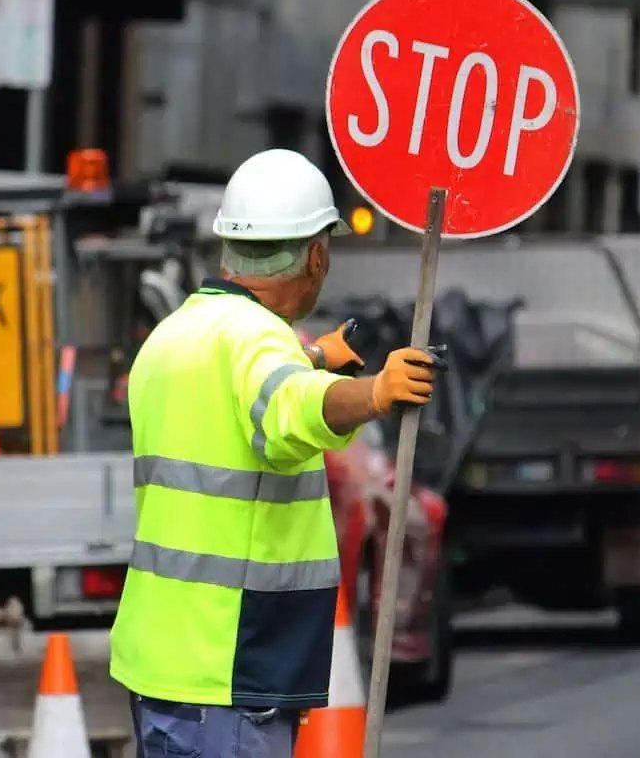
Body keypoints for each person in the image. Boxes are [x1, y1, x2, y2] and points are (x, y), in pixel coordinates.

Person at [109, 148, 439, 758]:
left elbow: (240, 404)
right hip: (229, 669)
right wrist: (375, 391)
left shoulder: (174, 334)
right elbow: (290, 409)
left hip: (163, 664)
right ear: (315, 255)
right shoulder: (260, 340)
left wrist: (313, 360)